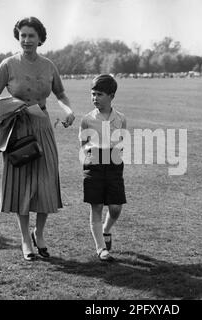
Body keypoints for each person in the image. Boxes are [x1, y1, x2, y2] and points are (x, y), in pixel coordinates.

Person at [0, 17, 75, 261]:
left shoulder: (48, 65)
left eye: (31, 36)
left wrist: (68, 110)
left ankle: (40, 233)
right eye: (22, 35)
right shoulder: (7, 64)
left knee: (46, 182)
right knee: (21, 184)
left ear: (40, 39)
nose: (26, 40)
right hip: (17, 128)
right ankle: (25, 239)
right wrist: (8, 104)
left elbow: (61, 93)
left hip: (43, 126)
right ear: (18, 37)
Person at [79, 74, 127, 262]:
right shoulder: (87, 119)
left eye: (99, 94)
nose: (95, 98)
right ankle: (101, 249)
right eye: (93, 94)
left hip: (114, 164)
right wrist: (91, 156)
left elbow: (122, 140)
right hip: (94, 165)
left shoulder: (121, 118)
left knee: (115, 208)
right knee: (96, 205)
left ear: (111, 96)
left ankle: (106, 230)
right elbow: (83, 143)